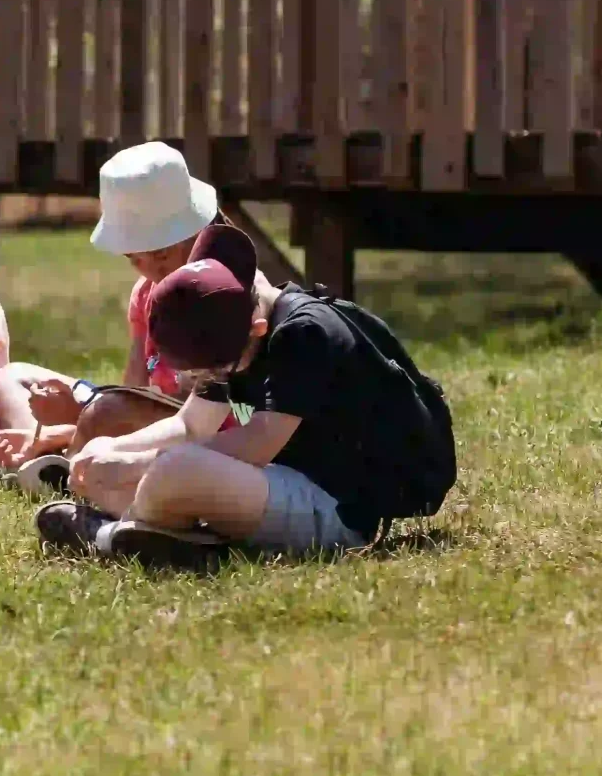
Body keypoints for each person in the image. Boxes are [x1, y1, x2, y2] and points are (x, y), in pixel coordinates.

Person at [36, 223, 456, 569]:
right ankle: (181, 540)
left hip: (338, 510)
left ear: (257, 329)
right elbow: (190, 424)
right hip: (275, 487)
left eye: (217, 371)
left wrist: (138, 464)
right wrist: (109, 451)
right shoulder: (228, 321)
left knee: (175, 469)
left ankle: (108, 535)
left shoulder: (303, 335)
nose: (213, 380)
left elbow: (258, 443)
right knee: (113, 461)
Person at [0, 142, 216, 491]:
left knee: (107, 411)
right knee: (13, 377)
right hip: (141, 420)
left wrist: (83, 414)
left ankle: (67, 470)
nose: (150, 270)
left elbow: (200, 417)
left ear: (195, 231)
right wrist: (72, 420)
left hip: (200, 431)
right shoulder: (146, 294)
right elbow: (134, 392)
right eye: (133, 257)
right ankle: (49, 456)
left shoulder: (219, 295)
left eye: (161, 254)